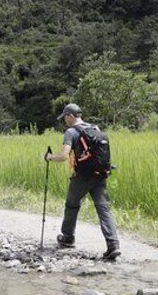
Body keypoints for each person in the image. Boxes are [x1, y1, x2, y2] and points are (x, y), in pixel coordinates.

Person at [45, 103, 121, 261]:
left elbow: (65, 155)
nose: (64, 120)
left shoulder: (71, 132)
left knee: (72, 204)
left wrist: (50, 157)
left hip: (83, 176)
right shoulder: (96, 128)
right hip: (100, 175)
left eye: (65, 117)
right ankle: (113, 245)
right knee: (103, 209)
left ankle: (67, 237)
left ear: (71, 115)